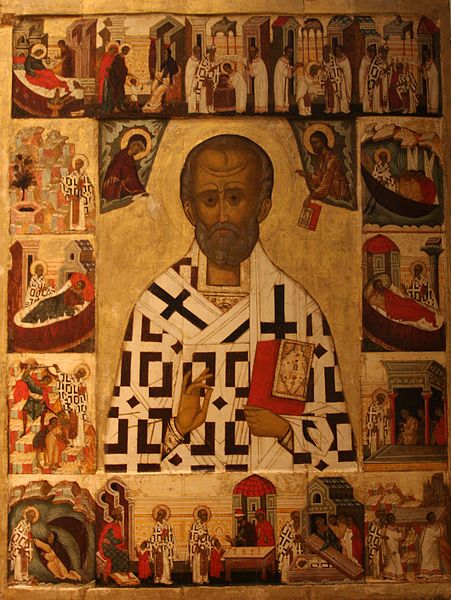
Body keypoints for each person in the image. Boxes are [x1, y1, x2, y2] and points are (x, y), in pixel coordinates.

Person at [104, 135, 356, 474]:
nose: (223, 215)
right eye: (210, 200)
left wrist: (284, 430)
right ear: (190, 210)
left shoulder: (296, 308)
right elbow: (120, 448)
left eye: (235, 198)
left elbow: (339, 447)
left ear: (262, 207)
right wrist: (177, 427)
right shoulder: (158, 306)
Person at [366, 277, 438, 328]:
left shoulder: (386, 290)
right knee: (409, 311)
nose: (381, 286)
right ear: (376, 287)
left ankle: (427, 314)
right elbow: (374, 303)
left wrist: (403, 301)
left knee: (412, 303)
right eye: (379, 285)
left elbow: (396, 298)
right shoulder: (375, 296)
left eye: (381, 284)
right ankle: (420, 315)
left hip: (398, 303)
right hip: (392, 309)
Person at [304, 130, 352, 204]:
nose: (313, 146)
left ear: (323, 142)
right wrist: (307, 175)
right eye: (312, 144)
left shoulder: (332, 159)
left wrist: (310, 197)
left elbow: (325, 182)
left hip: (339, 193)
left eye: (315, 143)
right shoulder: (322, 159)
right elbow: (319, 179)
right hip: (331, 193)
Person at [102, 133, 148, 201]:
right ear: (131, 143)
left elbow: (133, 178)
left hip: (125, 186)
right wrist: (117, 177)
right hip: (115, 186)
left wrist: (140, 189)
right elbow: (115, 170)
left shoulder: (131, 160)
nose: (138, 149)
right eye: (138, 145)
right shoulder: (122, 155)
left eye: (141, 149)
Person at [61, 155, 94, 231]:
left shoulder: (84, 175)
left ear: (82, 165)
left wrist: (84, 194)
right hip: (74, 198)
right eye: (76, 164)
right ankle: (73, 227)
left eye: (79, 164)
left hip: (81, 197)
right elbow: (65, 182)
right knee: (74, 212)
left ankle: (81, 227)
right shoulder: (72, 175)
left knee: (81, 211)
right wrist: (70, 195)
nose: (77, 166)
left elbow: (88, 186)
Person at [98, 507, 130, 578]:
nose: (121, 516)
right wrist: (122, 539)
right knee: (124, 553)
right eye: (119, 515)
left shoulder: (117, 525)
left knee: (124, 552)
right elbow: (113, 541)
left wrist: (120, 541)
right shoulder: (110, 526)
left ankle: (122, 571)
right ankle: (117, 571)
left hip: (113, 546)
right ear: (116, 517)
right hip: (107, 548)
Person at [149, 505, 175, 585]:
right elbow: (152, 538)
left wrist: (168, 544)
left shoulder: (167, 526)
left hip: (165, 548)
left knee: (165, 563)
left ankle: (166, 578)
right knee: (158, 563)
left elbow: (171, 538)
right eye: (158, 514)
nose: (158, 516)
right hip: (158, 548)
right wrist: (154, 546)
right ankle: (158, 578)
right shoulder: (155, 526)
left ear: (164, 516)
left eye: (160, 515)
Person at [8, 509, 35, 582]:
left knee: (25, 560)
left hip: (25, 545)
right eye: (31, 517)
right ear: (27, 516)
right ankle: (18, 576)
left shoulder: (28, 525)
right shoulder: (21, 523)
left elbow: (28, 535)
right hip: (19, 545)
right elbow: (16, 533)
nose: (32, 519)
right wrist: (19, 544)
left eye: (33, 517)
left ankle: (24, 575)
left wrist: (29, 538)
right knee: (18, 560)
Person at [277, 511, 303, 583]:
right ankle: (286, 580)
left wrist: (300, 539)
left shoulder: (303, 525)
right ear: (292, 518)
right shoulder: (287, 527)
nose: (297, 519)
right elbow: (283, 538)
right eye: (296, 517)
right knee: (287, 563)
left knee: (299, 563)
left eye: (299, 517)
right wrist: (286, 548)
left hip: (299, 548)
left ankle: (297, 579)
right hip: (288, 548)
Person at [192, 46, 219, 114]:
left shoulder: (214, 61)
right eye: (212, 52)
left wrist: (214, 78)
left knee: (210, 95)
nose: (213, 54)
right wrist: (205, 78)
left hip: (210, 80)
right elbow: (201, 70)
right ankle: (202, 109)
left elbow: (216, 72)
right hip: (204, 80)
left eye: (214, 52)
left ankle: (209, 108)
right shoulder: (204, 61)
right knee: (204, 95)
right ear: (209, 52)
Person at [189, 507, 212, 584]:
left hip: (204, 547)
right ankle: (198, 579)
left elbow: (206, 536)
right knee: (198, 564)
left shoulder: (205, 525)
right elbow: (192, 537)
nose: (205, 517)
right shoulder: (195, 525)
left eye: (206, 515)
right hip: (198, 548)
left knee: (204, 563)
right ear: (200, 515)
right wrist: (197, 542)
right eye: (204, 515)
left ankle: (204, 578)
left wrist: (208, 544)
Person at [418, 512, 444, 578]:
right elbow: (436, 534)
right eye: (431, 518)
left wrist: (440, 527)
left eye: (434, 517)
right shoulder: (427, 528)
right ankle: (425, 573)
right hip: (426, 547)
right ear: (428, 519)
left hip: (433, 547)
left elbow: (438, 534)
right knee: (426, 560)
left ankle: (435, 573)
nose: (433, 519)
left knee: (434, 560)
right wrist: (440, 527)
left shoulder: (434, 527)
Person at [109, 43, 131, 113]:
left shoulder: (122, 57)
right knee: (115, 93)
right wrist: (120, 74)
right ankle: (115, 107)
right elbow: (115, 68)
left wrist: (126, 72)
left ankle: (121, 106)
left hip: (120, 79)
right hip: (115, 78)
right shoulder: (117, 57)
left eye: (128, 51)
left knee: (121, 93)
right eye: (126, 50)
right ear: (123, 50)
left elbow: (123, 67)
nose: (127, 52)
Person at [382, 513, 405, 580]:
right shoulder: (387, 529)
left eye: (393, 518)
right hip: (391, 548)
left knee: (393, 562)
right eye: (391, 519)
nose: (393, 520)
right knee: (395, 559)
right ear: (388, 520)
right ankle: (399, 575)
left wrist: (400, 532)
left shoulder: (396, 528)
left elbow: (399, 538)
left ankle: (389, 574)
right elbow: (388, 540)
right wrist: (392, 549)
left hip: (395, 547)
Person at [98, 43, 119, 113]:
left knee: (110, 93)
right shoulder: (105, 57)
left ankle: (110, 108)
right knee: (105, 93)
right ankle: (105, 108)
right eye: (113, 51)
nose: (114, 53)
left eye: (115, 52)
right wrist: (108, 69)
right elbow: (103, 68)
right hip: (105, 77)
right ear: (110, 50)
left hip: (111, 77)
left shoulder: (113, 58)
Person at [246, 46, 268, 113]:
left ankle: (262, 110)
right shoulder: (254, 61)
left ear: (256, 52)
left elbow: (253, 74)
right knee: (258, 95)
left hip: (262, 82)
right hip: (257, 81)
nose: (251, 53)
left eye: (253, 51)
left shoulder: (260, 61)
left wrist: (248, 68)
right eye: (250, 52)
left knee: (261, 96)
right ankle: (259, 110)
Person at [367, 510, 386, 579]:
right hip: (375, 543)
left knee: (380, 559)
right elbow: (372, 535)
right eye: (381, 515)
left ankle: (379, 573)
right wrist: (376, 544)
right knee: (375, 559)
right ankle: (376, 574)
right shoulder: (374, 523)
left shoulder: (383, 524)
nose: (382, 517)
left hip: (381, 543)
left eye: (383, 515)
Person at [274, 46, 293, 113]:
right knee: (280, 94)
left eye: (291, 52)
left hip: (284, 81)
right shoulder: (281, 61)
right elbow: (285, 73)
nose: (291, 54)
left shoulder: (286, 60)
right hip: (280, 81)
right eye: (289, 52)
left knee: (285, 94)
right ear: (285, 52)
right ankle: (280, 109)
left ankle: (284, 109)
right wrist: (293, 68)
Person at [333, 45, 352, 113]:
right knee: (336, 92)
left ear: (341, 51)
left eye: (338, 50)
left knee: (343, 93)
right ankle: (336, 109)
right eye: (336, 51)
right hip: (336, 80)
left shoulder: (345, 60)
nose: (337, 52)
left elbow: (347, 71)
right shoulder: (334, 60)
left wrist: (342, 70)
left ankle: (344, 108)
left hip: (343, 79)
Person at [359, 45, 377, 112]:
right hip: (367, 80)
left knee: (374, 93)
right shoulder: (365, 59)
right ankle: (367, 108)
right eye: (371, 50)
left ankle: (374, 108)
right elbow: (362, 71)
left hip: (374, 79)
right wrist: (367, 70)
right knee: (367, 94)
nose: (372, 52)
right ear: (368, 51)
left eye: (374, 51)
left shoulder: (376, 59)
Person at [185, 46, 202, 113]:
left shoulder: (200, 60)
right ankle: (192, 111)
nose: (199, 54)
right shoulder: (190, 61)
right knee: (192, 96)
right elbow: (189, 73)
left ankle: (197, 110)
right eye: (197, 52)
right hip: (192, 81)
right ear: (194, 52)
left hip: (198, 80)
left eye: (199, 52)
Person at [422, 49, 439, 114]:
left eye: (426, 54)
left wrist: (424, 71)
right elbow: (425, 75)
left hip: (433, 82)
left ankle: (434, 111)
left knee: (433, 96)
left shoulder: (432, 63)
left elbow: (434, 73)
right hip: (429, 82)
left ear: (428, 54)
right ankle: (430, 111)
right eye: (424, 54)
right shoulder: (426, 62)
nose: (425, 56)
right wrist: (423, 71)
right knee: (429, 96)